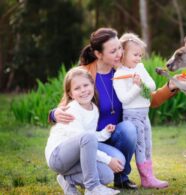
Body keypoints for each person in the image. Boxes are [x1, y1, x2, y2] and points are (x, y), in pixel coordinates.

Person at [49, 27, 178, 190]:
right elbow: (68, 103)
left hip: (114, 133)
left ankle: (121, 178)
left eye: (120, 48)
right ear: (98, 54)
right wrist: (54, 114)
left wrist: (169, 87)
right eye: (113, 51)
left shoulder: (124, 70)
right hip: (92, 139)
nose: (119, 53)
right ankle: (74, 176)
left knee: (129, 129)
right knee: (110, 165)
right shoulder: (85, 74)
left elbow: (148, 100)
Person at [45, 67, 120, 195]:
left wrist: (104, 133)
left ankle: (67, 179)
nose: (83, 90)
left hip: (76, 158)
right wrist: (108, 160)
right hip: (58, 157)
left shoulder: (94, 110)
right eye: (77, 88)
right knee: (89, 139)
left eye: (86, 85)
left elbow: (88, 140)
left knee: (107, 175)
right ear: (70, 94)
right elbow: (85, 138)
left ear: (92, 84)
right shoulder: (73, 110)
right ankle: (92, 187)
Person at [113, 32, 168, 189]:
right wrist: (137, 86)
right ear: (122, 53)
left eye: (140, 55)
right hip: (132, 115)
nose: (138, 58)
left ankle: (149, 177)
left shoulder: (140, 68)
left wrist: (140, 82)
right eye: (135, 55)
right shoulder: (119, 75)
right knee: (140, 146)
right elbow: (124, 99)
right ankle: (146, 178)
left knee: (148, 144)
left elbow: (152, 86)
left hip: (145, 114)